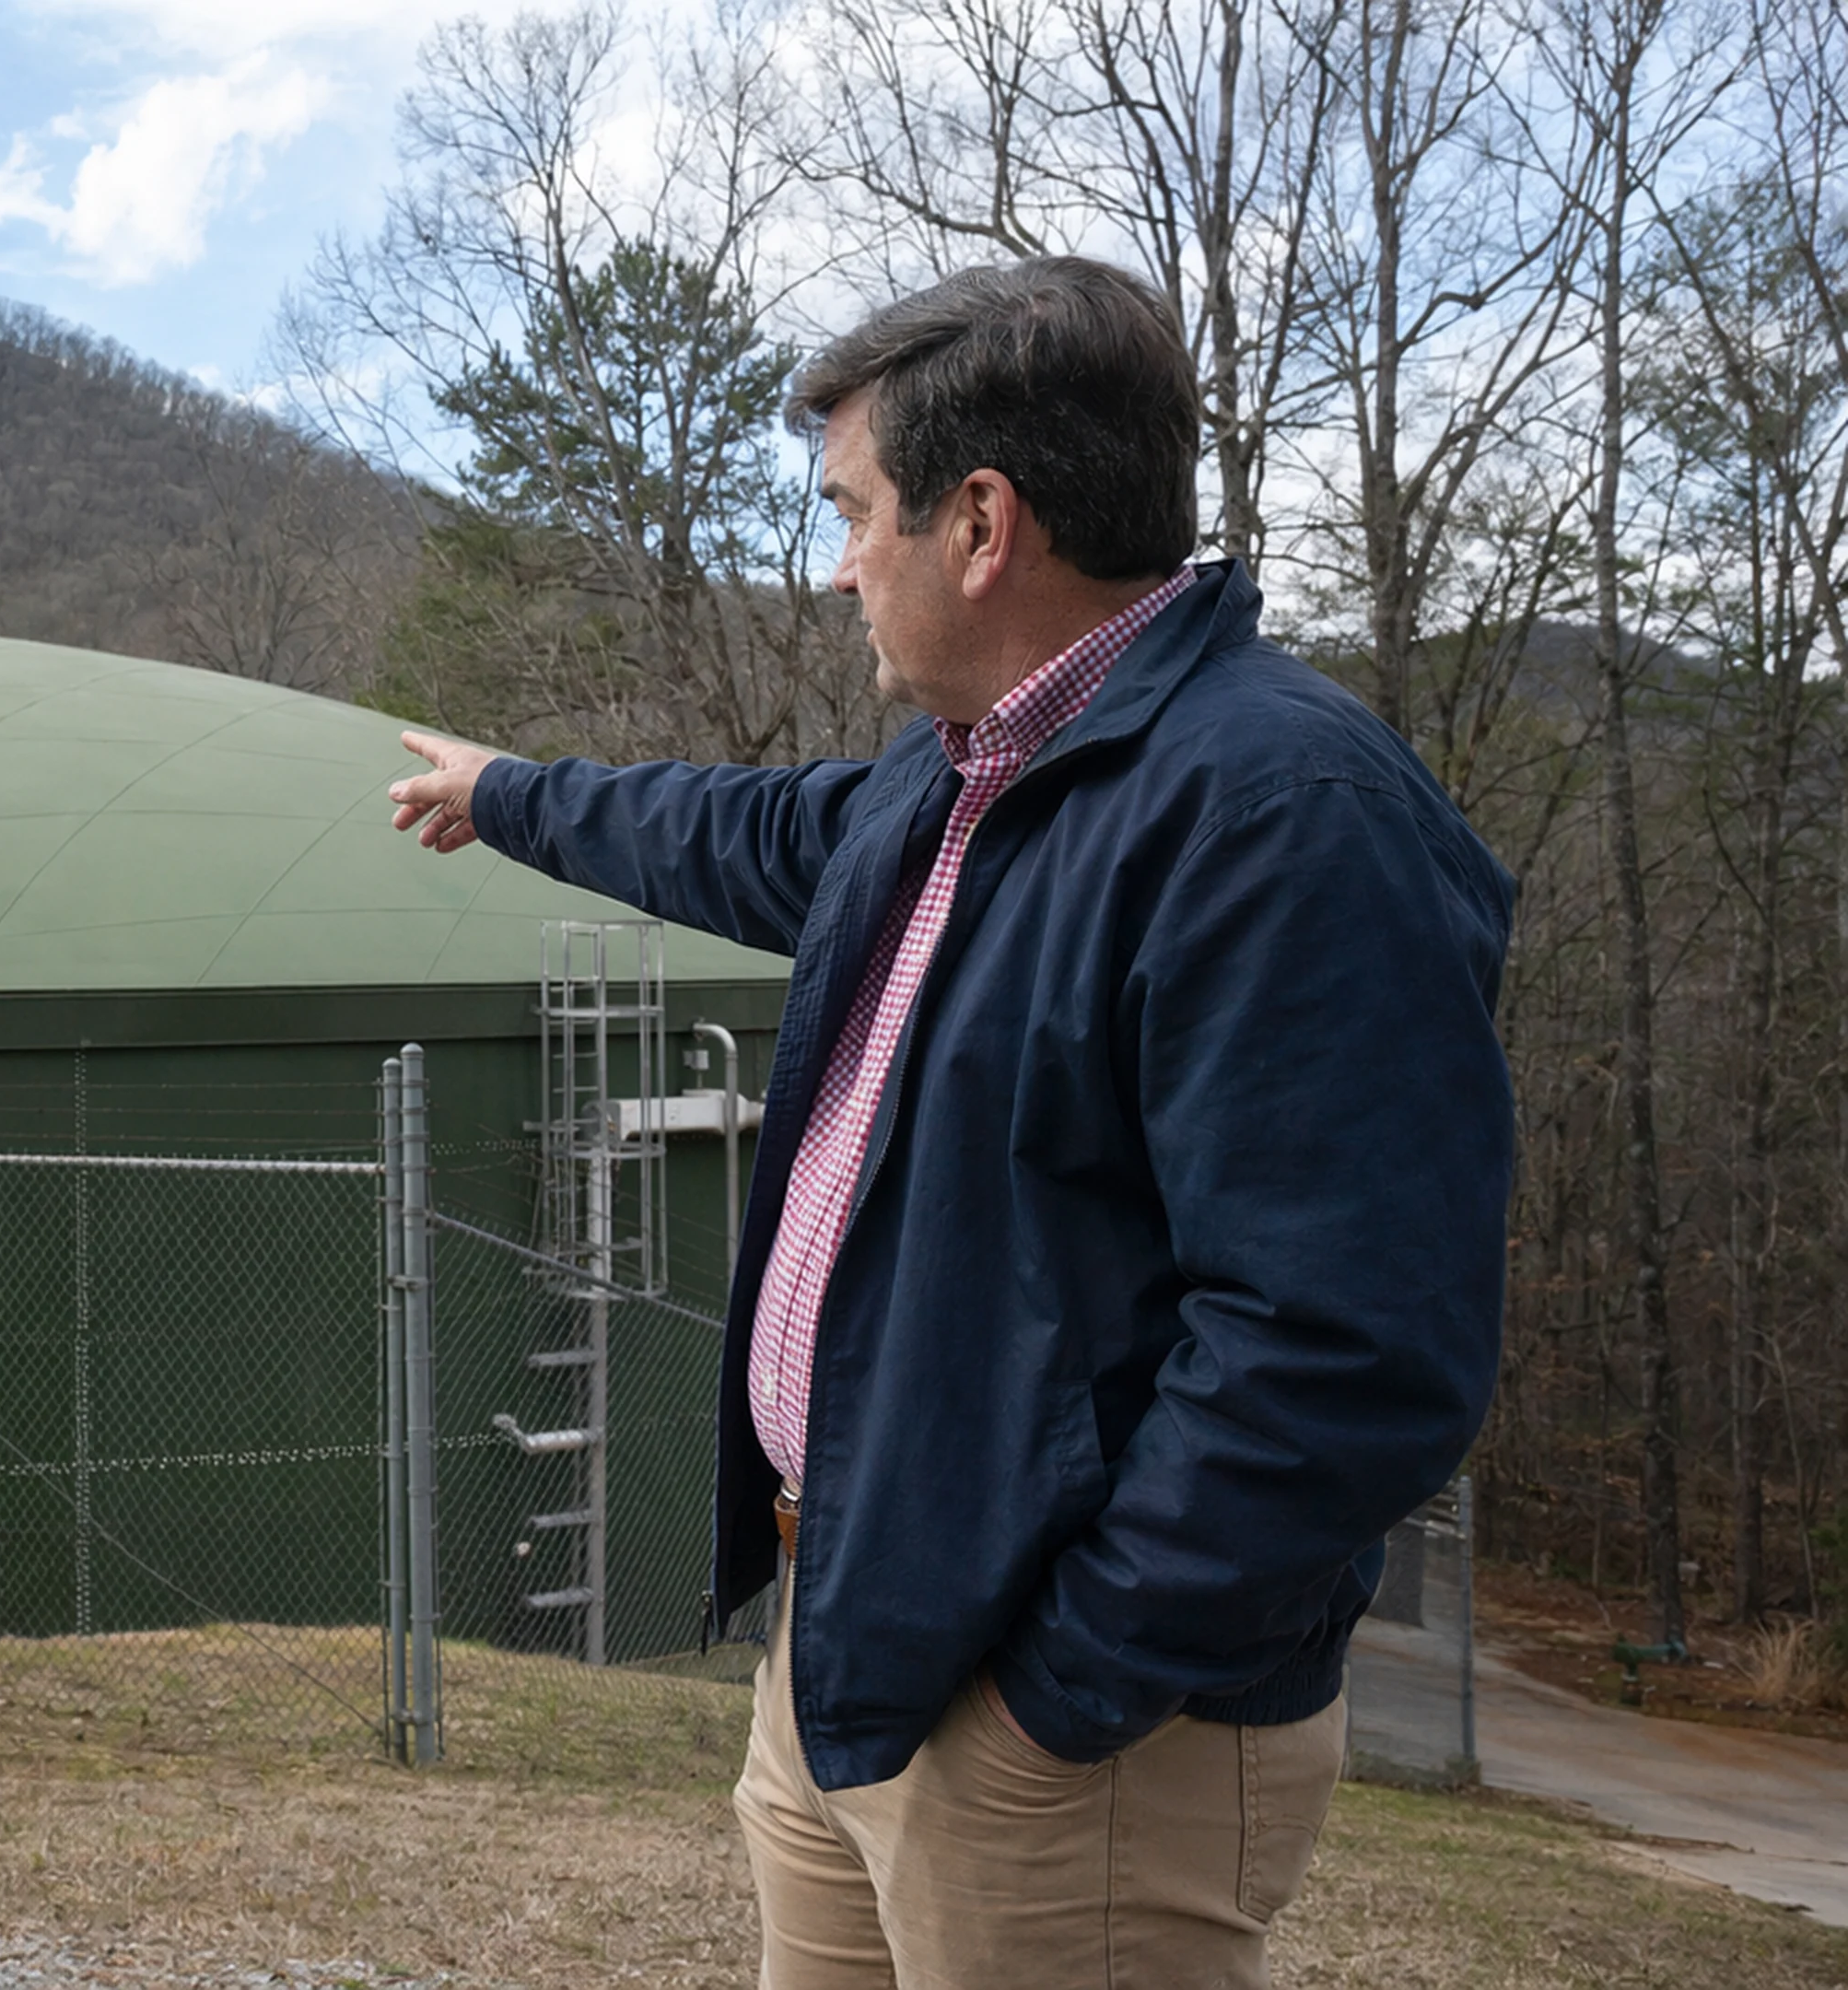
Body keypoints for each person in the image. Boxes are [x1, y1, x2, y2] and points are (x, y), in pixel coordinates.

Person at [387, 256, 1514, 1988]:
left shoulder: (1279, 817)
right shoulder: (970, 770)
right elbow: (744, 833)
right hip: (859, 1640)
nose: (837, 564)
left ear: (980, 522)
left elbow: (1346, 1351)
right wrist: (510, 797)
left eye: (852, 513)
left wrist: (1060, 1694)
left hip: (1071, 1741)